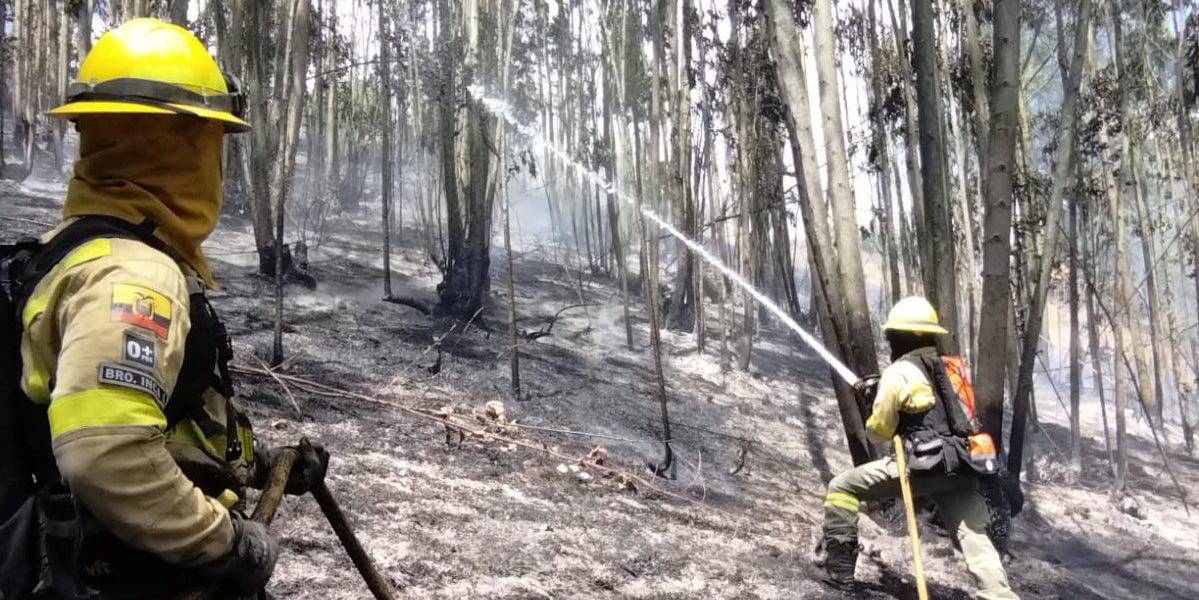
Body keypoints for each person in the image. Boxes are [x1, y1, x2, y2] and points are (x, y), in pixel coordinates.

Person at [4, 18, 325, 598]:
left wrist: (260, 463)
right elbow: (105, 452)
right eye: (212, 141)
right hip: (134, 578)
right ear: (183, 144)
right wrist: (227, 542)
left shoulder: (84, 247)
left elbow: (161, 421)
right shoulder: (134, 274)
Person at [819, 296, 1017, 600]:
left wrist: (874, 404)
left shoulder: (898, 373)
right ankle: (1000, 596)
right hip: (964, 468)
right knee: (974, 538)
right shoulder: (954, 369)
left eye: (891, 336)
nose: (888, 343)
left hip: (923, 468)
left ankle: (838, 577)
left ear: (902, 337)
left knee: (841, 488)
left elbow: (879, 432)